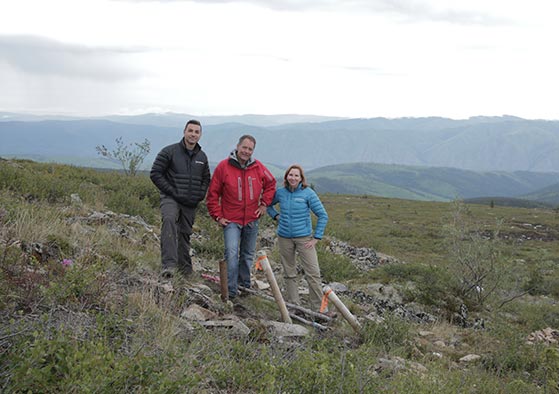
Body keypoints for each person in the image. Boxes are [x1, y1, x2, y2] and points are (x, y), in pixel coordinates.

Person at [206, 135, 276, 299]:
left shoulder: (258, 167)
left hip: (252, 219)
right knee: (231, 253)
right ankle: (231, 291)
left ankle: (244, 287)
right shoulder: (224, 167)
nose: (246, 151)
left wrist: (264, 204)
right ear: (237, 146)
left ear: (253, 151)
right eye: (244, 147)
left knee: (247, 255)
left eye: (250, 149)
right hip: (231, 220)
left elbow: (271, 184)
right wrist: (217, 216)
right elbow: (213, 194)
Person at [150, 119, 210, 277]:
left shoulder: (202, 157)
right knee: (169, 220)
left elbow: (206, 179)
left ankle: (185, 270)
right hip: (171, 198)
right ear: (184, 132)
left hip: (190, 202)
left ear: (200, 135)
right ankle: (168, 266)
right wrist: (171, 191)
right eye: (190, 131)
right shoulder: (169, 151)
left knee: (184, 233)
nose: (193, 134)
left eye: (197, 132)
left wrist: (199, 195)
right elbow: (155, 173)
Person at [267, 164, 329, 313]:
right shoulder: (280, 193)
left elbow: (323, 215)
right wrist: (276, 216)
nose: (293, 178)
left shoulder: (308, 193)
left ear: (301, 178)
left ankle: (319, 309)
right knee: (289, 272)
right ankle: (294, 306)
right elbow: (268, 205)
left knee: (313, 273)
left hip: (304, 239)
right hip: (284, 238)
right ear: (286, 177)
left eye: (296, 175)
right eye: (291, 175)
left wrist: (316, 238)